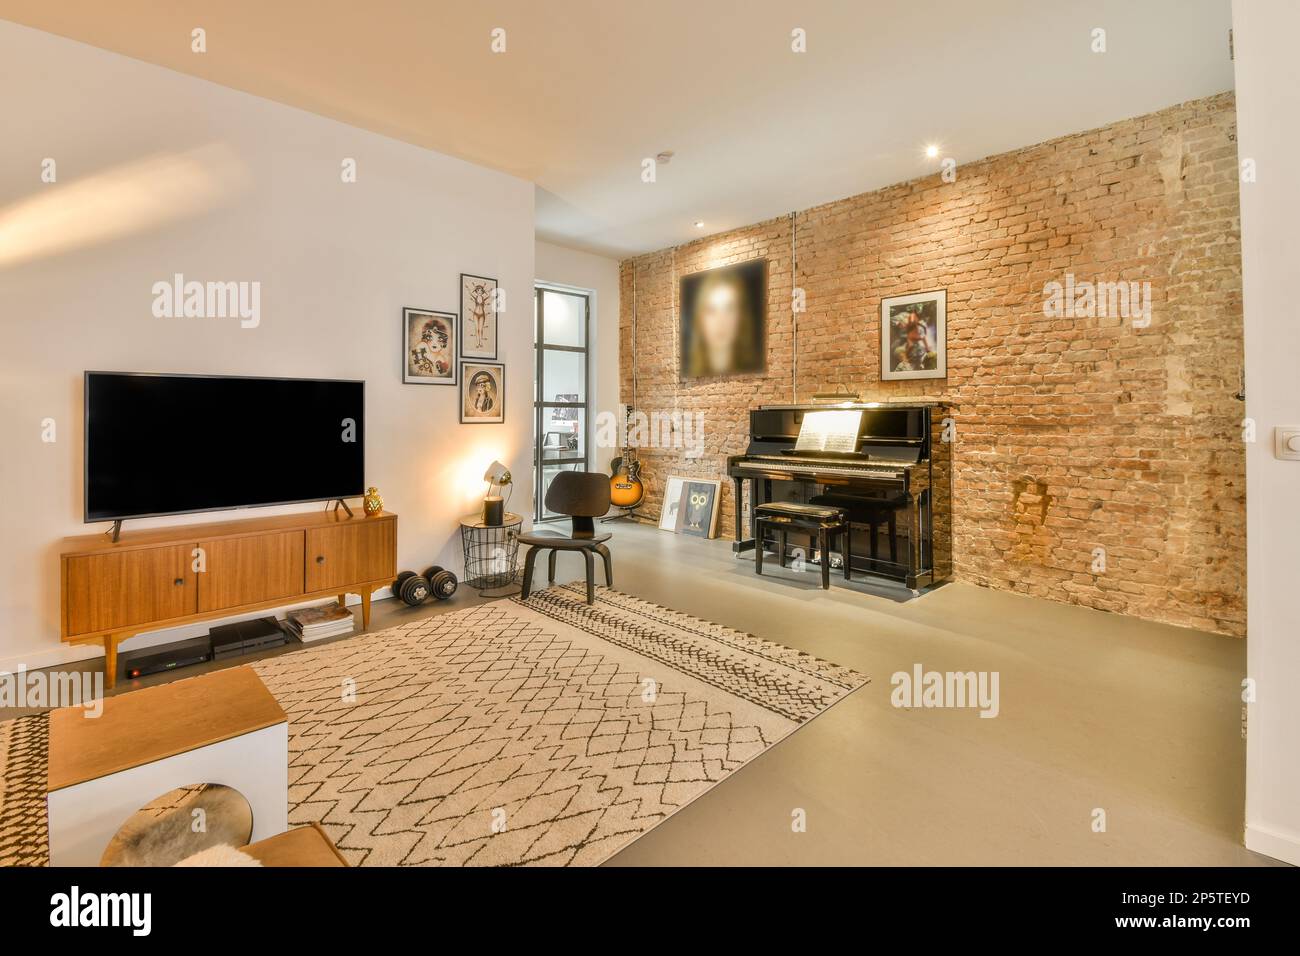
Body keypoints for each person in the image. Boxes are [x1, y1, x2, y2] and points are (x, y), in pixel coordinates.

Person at [682, 270, 761, 376]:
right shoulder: (688, 372)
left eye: (729, 308)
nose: (721, 321)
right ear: (700, 319)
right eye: (711, 310)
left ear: (741, 316)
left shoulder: (755, 368)